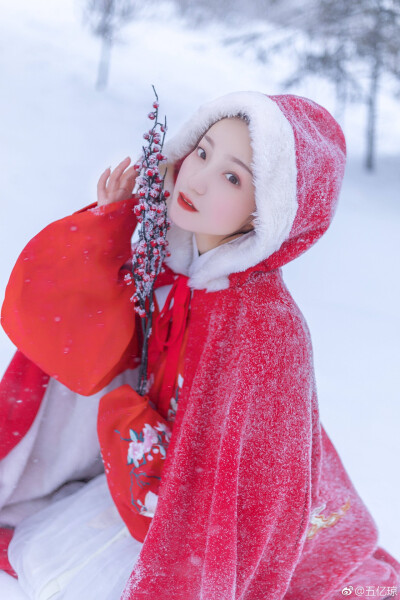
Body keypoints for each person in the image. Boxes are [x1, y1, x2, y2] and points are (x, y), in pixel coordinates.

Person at [0, 91, 399, 600]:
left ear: (267, 211)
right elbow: (72, 332)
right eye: (203, 151)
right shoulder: (172, 260)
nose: (199, 179)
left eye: (233, 178)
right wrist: (110, 226)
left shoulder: (266, 326)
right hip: (162, 465)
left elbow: (263, 481)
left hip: (215, 504)